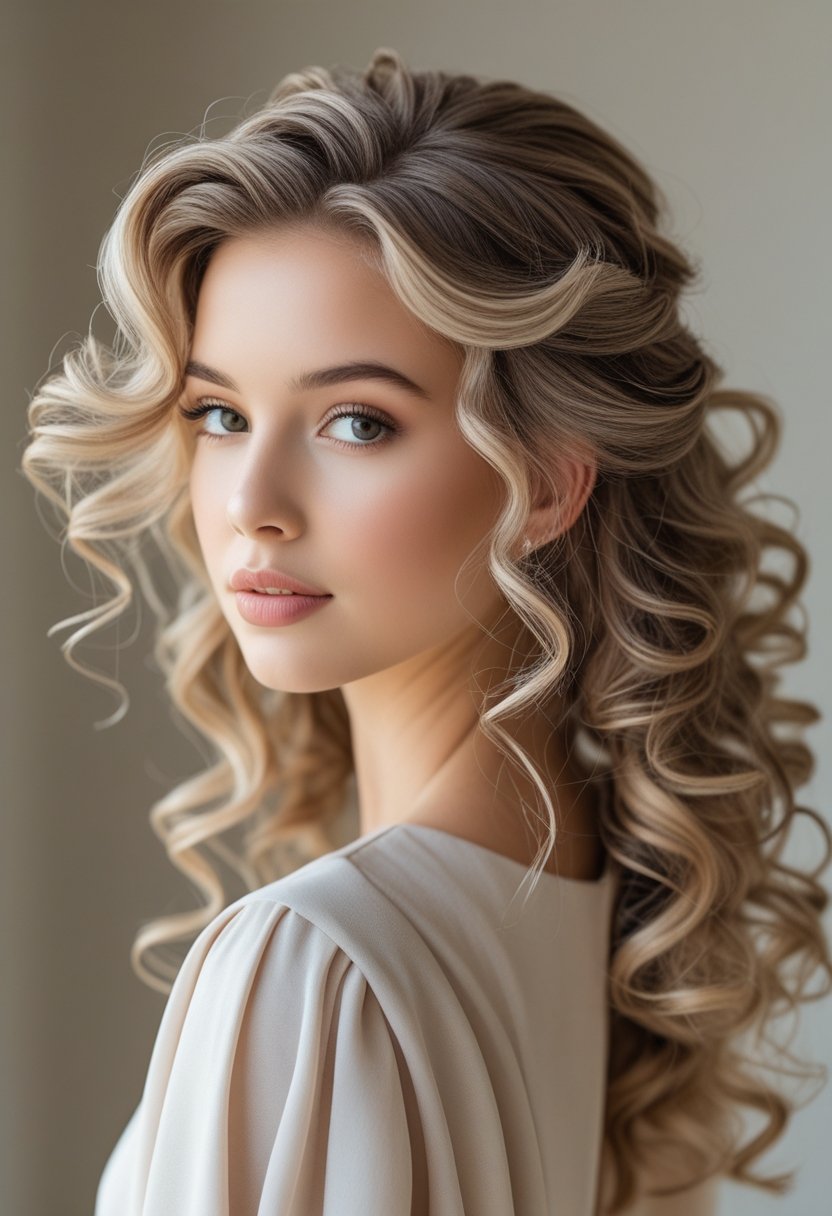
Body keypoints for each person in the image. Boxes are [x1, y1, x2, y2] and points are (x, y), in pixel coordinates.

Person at [21, 46, 830, 1216]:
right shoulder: (596, 924)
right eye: (219, 413)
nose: (252, 501)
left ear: (548, 482)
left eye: (354, 421)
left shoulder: (313, 960)